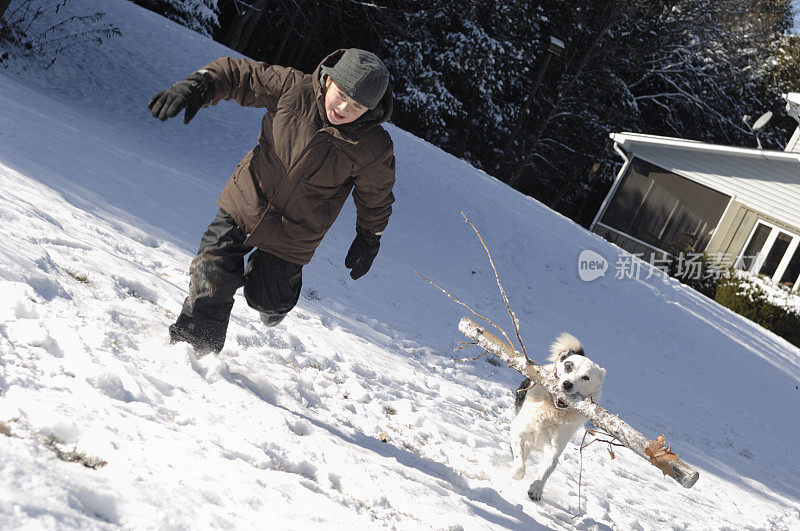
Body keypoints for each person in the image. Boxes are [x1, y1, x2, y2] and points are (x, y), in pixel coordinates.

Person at [148, 49, 395, 354]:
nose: (344, 107)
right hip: (248, 201)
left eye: (357, 105)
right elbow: (240, 74)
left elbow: (377, 196)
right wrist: (201, 85)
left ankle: (275, 298)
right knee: (212, 269)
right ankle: (195, 347)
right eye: (341, 94)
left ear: (370, 110)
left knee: (266, 297)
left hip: (296, 231)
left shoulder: (372, 146)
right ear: (329, 80)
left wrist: (369, 237)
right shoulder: (293, 88)